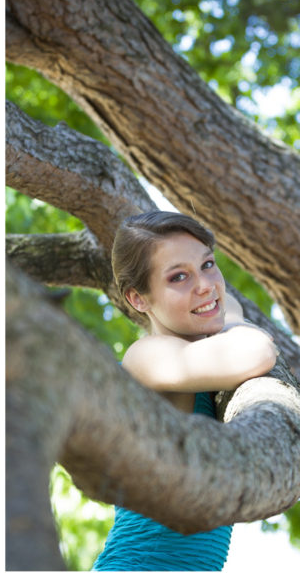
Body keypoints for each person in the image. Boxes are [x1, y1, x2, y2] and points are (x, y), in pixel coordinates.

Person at [91, 211, 278, 571]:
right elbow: (260, 352)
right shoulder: (146, 358)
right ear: (139, 299)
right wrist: (236, 325)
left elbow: (230, 305)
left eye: (208, 264)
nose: (205, 285)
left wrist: (228, 319)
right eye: (179, 276)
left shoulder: (201, 352)